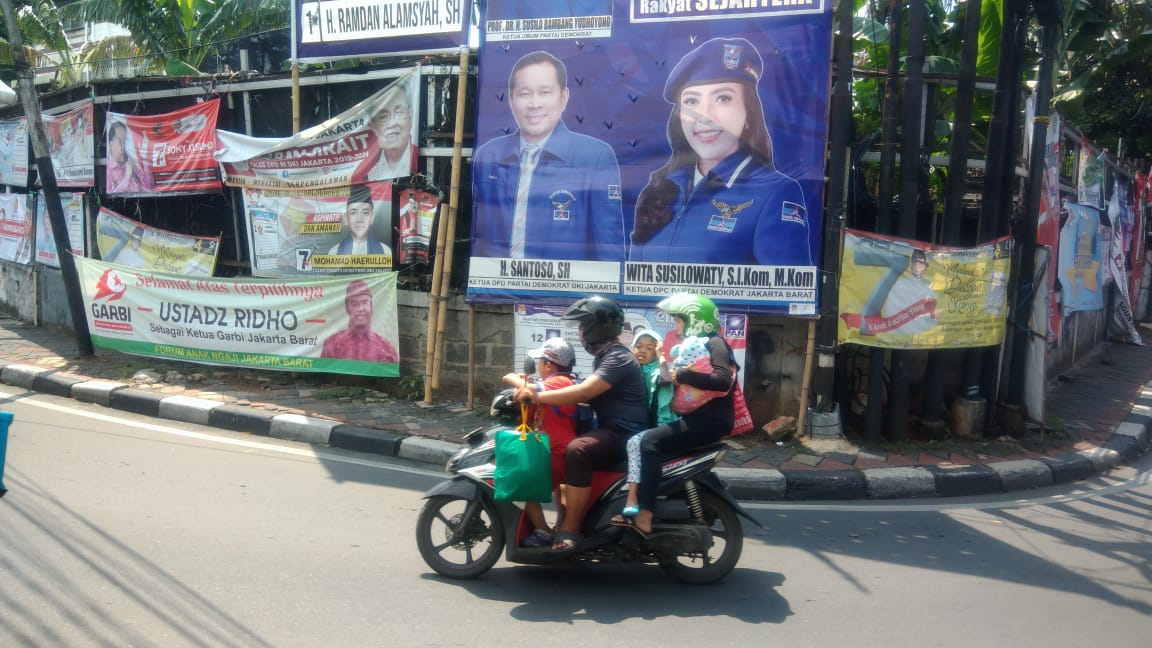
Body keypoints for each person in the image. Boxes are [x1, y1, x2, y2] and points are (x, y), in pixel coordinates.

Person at [630, 37, 812, 266]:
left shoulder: (777, 193)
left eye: (722, 98)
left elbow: (784, 294)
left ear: (749, 112)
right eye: (692, 101)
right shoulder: (660, 188)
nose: (705, 115)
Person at [513, 296, 649, 551]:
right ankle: (564, 520)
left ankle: (571, 530)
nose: (581, 332)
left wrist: (537, 395)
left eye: (583, 326)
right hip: (612, 429)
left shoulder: (618, 358)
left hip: (624, 434)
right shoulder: (607, 356)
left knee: (578, 449)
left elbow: (585, 392)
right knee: (569, 449)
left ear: (597, 327)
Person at [471, 50, 626, 261]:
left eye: (545, 92)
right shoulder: (489, 156)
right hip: (497, 290)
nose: (535, 104)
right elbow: (479, 239)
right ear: (511, 99)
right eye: (524, 93)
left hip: (564, 292)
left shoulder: (595, 157)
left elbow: (609, 247)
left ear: (563, 98)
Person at [611, 293, 735, 536]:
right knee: (642, 442)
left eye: (679, 321)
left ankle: (646, 513)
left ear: (695, 319)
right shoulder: (692, 347)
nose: (677, 326)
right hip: (698, 417)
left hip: (711, 420)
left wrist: (683, 375)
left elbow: (722, 380)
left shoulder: (715, 342)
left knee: (650, 441)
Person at [501, 337, 578, 548]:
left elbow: (534, 390)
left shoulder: (561, 382)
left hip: (555, 451)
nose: (538, 367)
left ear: (549, 365)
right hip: (549, 449)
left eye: (540, 362)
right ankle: (554, 528)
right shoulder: (557, 383)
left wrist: (512, 379)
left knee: (520, 483)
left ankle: (542, 530)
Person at [351, 84, 417, 183]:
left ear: (410, 116)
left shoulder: (422, 160)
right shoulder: (362, 173)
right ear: (373, 126)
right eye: (383, 117)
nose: (392, 123)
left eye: (399, 112)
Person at [320, 280, 400, 362]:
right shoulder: (332, 344)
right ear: (347, 309)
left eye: (365, 303)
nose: (361, 309)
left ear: (371, 308)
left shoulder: (385, 347)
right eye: (354, 304)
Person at [328, 184, 391, 256]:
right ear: (346, 218)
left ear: (372, 218)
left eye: (365, 213)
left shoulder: (385, 251)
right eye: (353, 213)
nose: (359, 219)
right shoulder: (334, 252)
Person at [632, 330, 675, 427]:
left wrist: (660, 354)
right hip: (637, 422)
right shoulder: (630, 369)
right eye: (638, 346)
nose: (642, 350)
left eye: (649, 348)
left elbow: (666, 381)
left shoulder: (657, 370)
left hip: (658, 423)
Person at [106, 121, 153, 194]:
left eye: (124, 142)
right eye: (120, 141)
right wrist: (126, 178)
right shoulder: (107, 170)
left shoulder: (131, 165)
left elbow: (149, 189)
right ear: (110, 143)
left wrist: (146, 158)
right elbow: (110, 197)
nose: (123, 147)